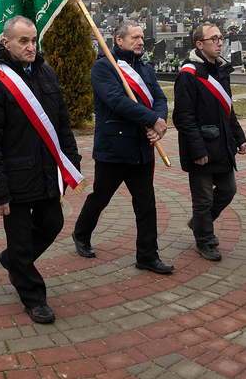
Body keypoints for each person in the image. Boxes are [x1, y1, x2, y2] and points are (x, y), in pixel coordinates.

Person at [0, 16, 82, 324]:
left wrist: (71, 163)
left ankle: (13, 262)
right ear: (5, 42)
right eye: (23, 41)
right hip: (14, 177)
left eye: (34, 40)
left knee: (53, 222)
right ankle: (34, 297)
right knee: (20, 240)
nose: (31, 46)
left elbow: (62, 124)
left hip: (47, 172)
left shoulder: (46, 73)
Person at [72, 21, 174, 274]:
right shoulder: (103, 67)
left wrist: (158, 121)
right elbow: (117, 101)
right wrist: (151, 120)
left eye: (142, 37)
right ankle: (81, 234)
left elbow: (159, 98)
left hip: (142, 148)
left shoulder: (146, 69)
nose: (141, 41)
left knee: (146, 205)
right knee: (100, 198)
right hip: (114, 148)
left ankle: (147, 256)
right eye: (135, 37)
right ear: (119, 40)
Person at [173, 23, 246, 262]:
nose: (219, 42)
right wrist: (197, 150)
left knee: (228, 189)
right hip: (202, 147)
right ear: (199, 44)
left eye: (220, 37)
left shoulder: (221, 70)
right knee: (203, 199)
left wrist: (240, 137)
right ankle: (204, 240)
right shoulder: (188, 74)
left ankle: (198, 224)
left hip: (223, 144)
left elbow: (229, 109)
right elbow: (183, 117)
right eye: (213, 38)